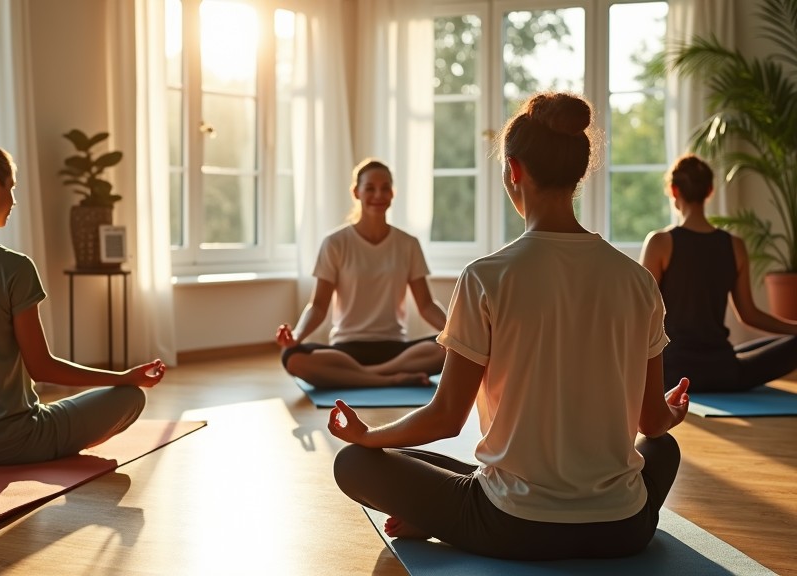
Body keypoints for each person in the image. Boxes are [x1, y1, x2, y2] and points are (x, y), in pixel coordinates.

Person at [329, 92, 690, 560]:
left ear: (514, 171)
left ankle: (441, 520)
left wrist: (368, 437)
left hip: (513, 527)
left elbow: (445, 418)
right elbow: (652, 422)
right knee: (664, 450)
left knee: (356, 462)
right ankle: (450, 512)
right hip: (624, 528)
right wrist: (671, 411)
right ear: (578, 174)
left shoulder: (487, 277)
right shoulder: (637, 280)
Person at [0, 138, 166, 465]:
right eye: (12, 189)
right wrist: (123, 377)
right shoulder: (14, 267)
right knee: (130, 398)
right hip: (9, 443)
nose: (13, 200)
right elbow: (41, 367)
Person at [275, 158, 448, 389]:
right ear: (356, 192)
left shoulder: (408, 244)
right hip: (347, 349)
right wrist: (296, 336)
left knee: (450, 350)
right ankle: (391, 380)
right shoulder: (334, 243)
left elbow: (426, 305)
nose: (378, 195)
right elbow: (317, 306)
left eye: (385, 188)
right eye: (370, 188)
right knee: (292, 357)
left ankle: (367, 376)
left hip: (396, 348)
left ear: (393, 193)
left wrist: (456, 332)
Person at [640, 154, 797, 393]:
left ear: (674, 190)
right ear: (710, 190)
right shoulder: (734, 245)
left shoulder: (659, 243)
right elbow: (749, 314)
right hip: (723, 371)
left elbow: (642, 310)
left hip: (672, 372)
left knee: (744, 351)